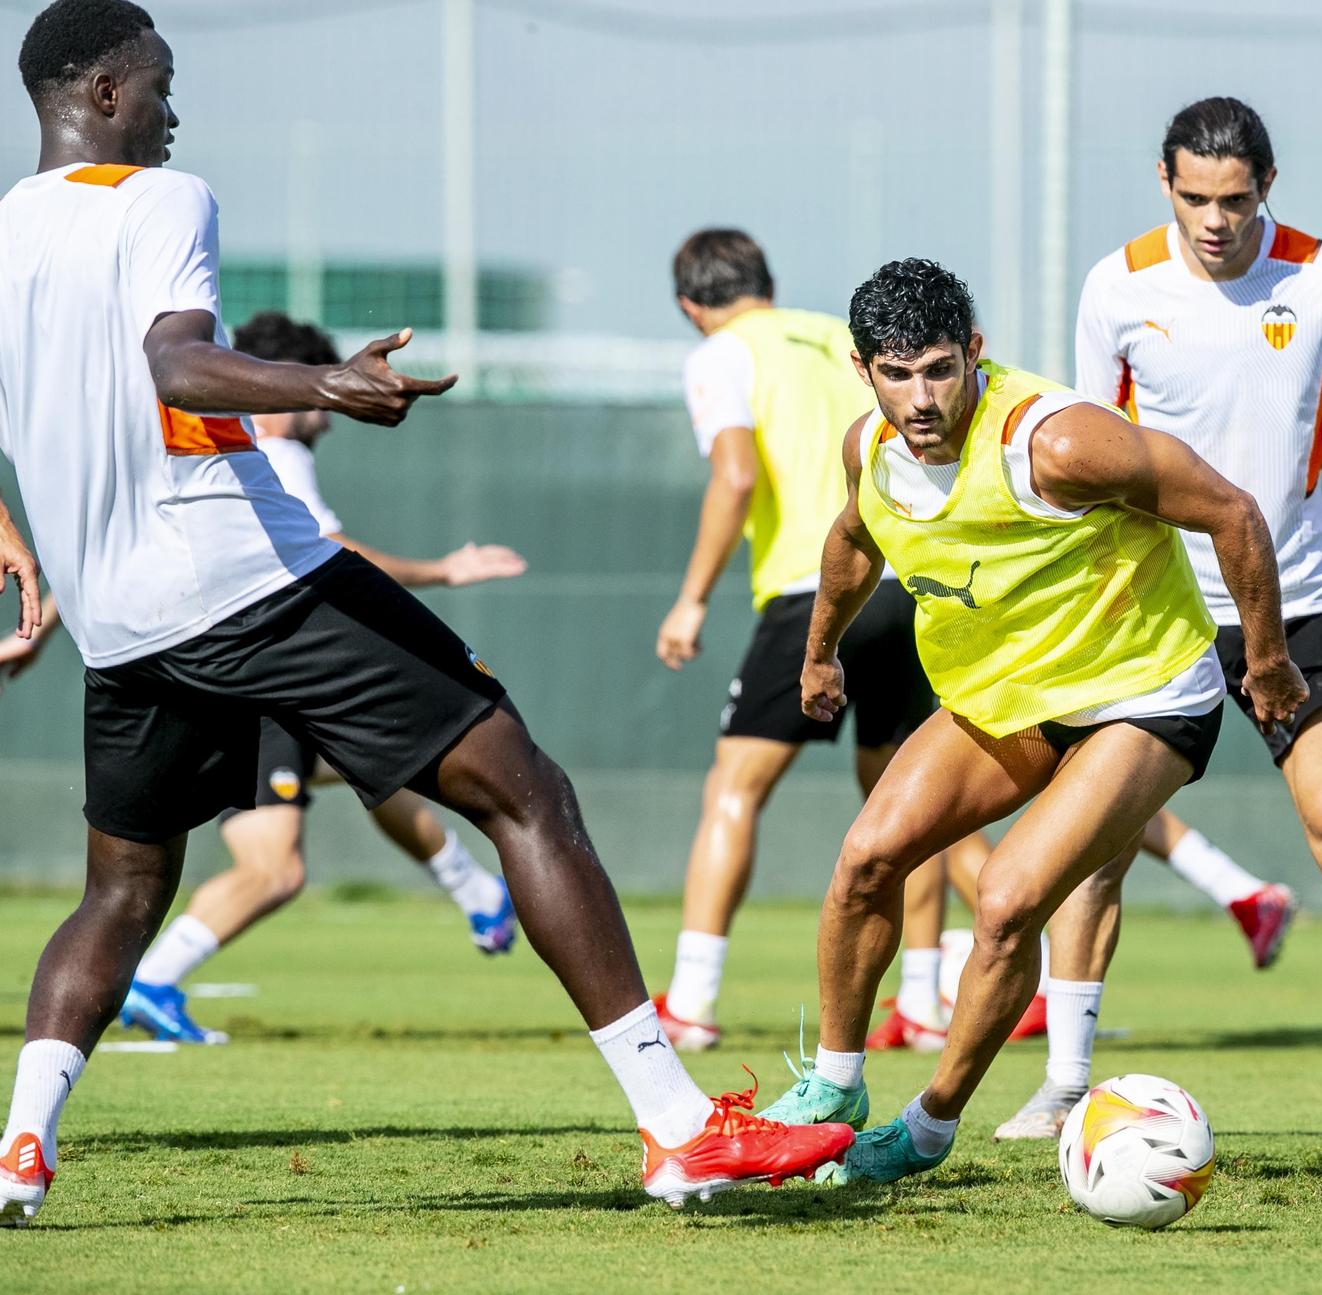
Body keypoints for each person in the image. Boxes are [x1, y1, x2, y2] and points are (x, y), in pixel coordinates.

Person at [0, 0, 849, 1224]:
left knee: (121, 891)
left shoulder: (9, 231)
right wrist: (324, 381)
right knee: (531, 793)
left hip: (123, 625)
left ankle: (23, 1147)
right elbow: (176, 363)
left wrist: (17, 541)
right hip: (247, 578)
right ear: (108, 90)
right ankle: (678, 1129)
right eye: (163, 82)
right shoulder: (160, 200)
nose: (178, 110)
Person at [1000, 96, 1322, 1145]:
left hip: (1293, 600)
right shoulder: (1117, 285)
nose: (1213, 220)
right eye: (1192, 198)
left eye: (1233, 199)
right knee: (1100, 845)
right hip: (1150, 611)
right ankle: (1062, 1085)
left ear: (1266, 185)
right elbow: (1083, 459)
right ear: (1163, 183)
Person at [757, 256, 1306, 1186]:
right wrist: (820, 651)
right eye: (898, 373)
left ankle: (927, 1127)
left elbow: (1233, 512)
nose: (922, 396)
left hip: (1145, 695)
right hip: (1010, 698)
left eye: (940, 367)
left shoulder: (1053, 443)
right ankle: (835, 1088)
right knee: (865, 859)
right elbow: (854, 538)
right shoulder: (872, 449)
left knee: (1008, 901)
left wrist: (1266, 659)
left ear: (975, 351)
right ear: (864, 371)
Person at [120, 311, 528, 1046]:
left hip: (187, 659)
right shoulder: (272, 444)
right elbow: (330, 546)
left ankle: (475, 891)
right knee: (275, 867)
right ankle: (150, 980)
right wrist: (443, 570)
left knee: (377, 762)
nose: (331, 417)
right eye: (324, 396)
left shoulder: (194, 442)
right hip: (267, 665)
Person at [652, 228, 981, 1053]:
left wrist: (690, 598)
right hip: (908, 581)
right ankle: (923, 1003)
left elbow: (735, 474)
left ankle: (689, 1001)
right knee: (909, 801)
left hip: (819, 588)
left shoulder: (722, 353)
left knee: (735, 789)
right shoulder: (846, 341)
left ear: (693, 306)